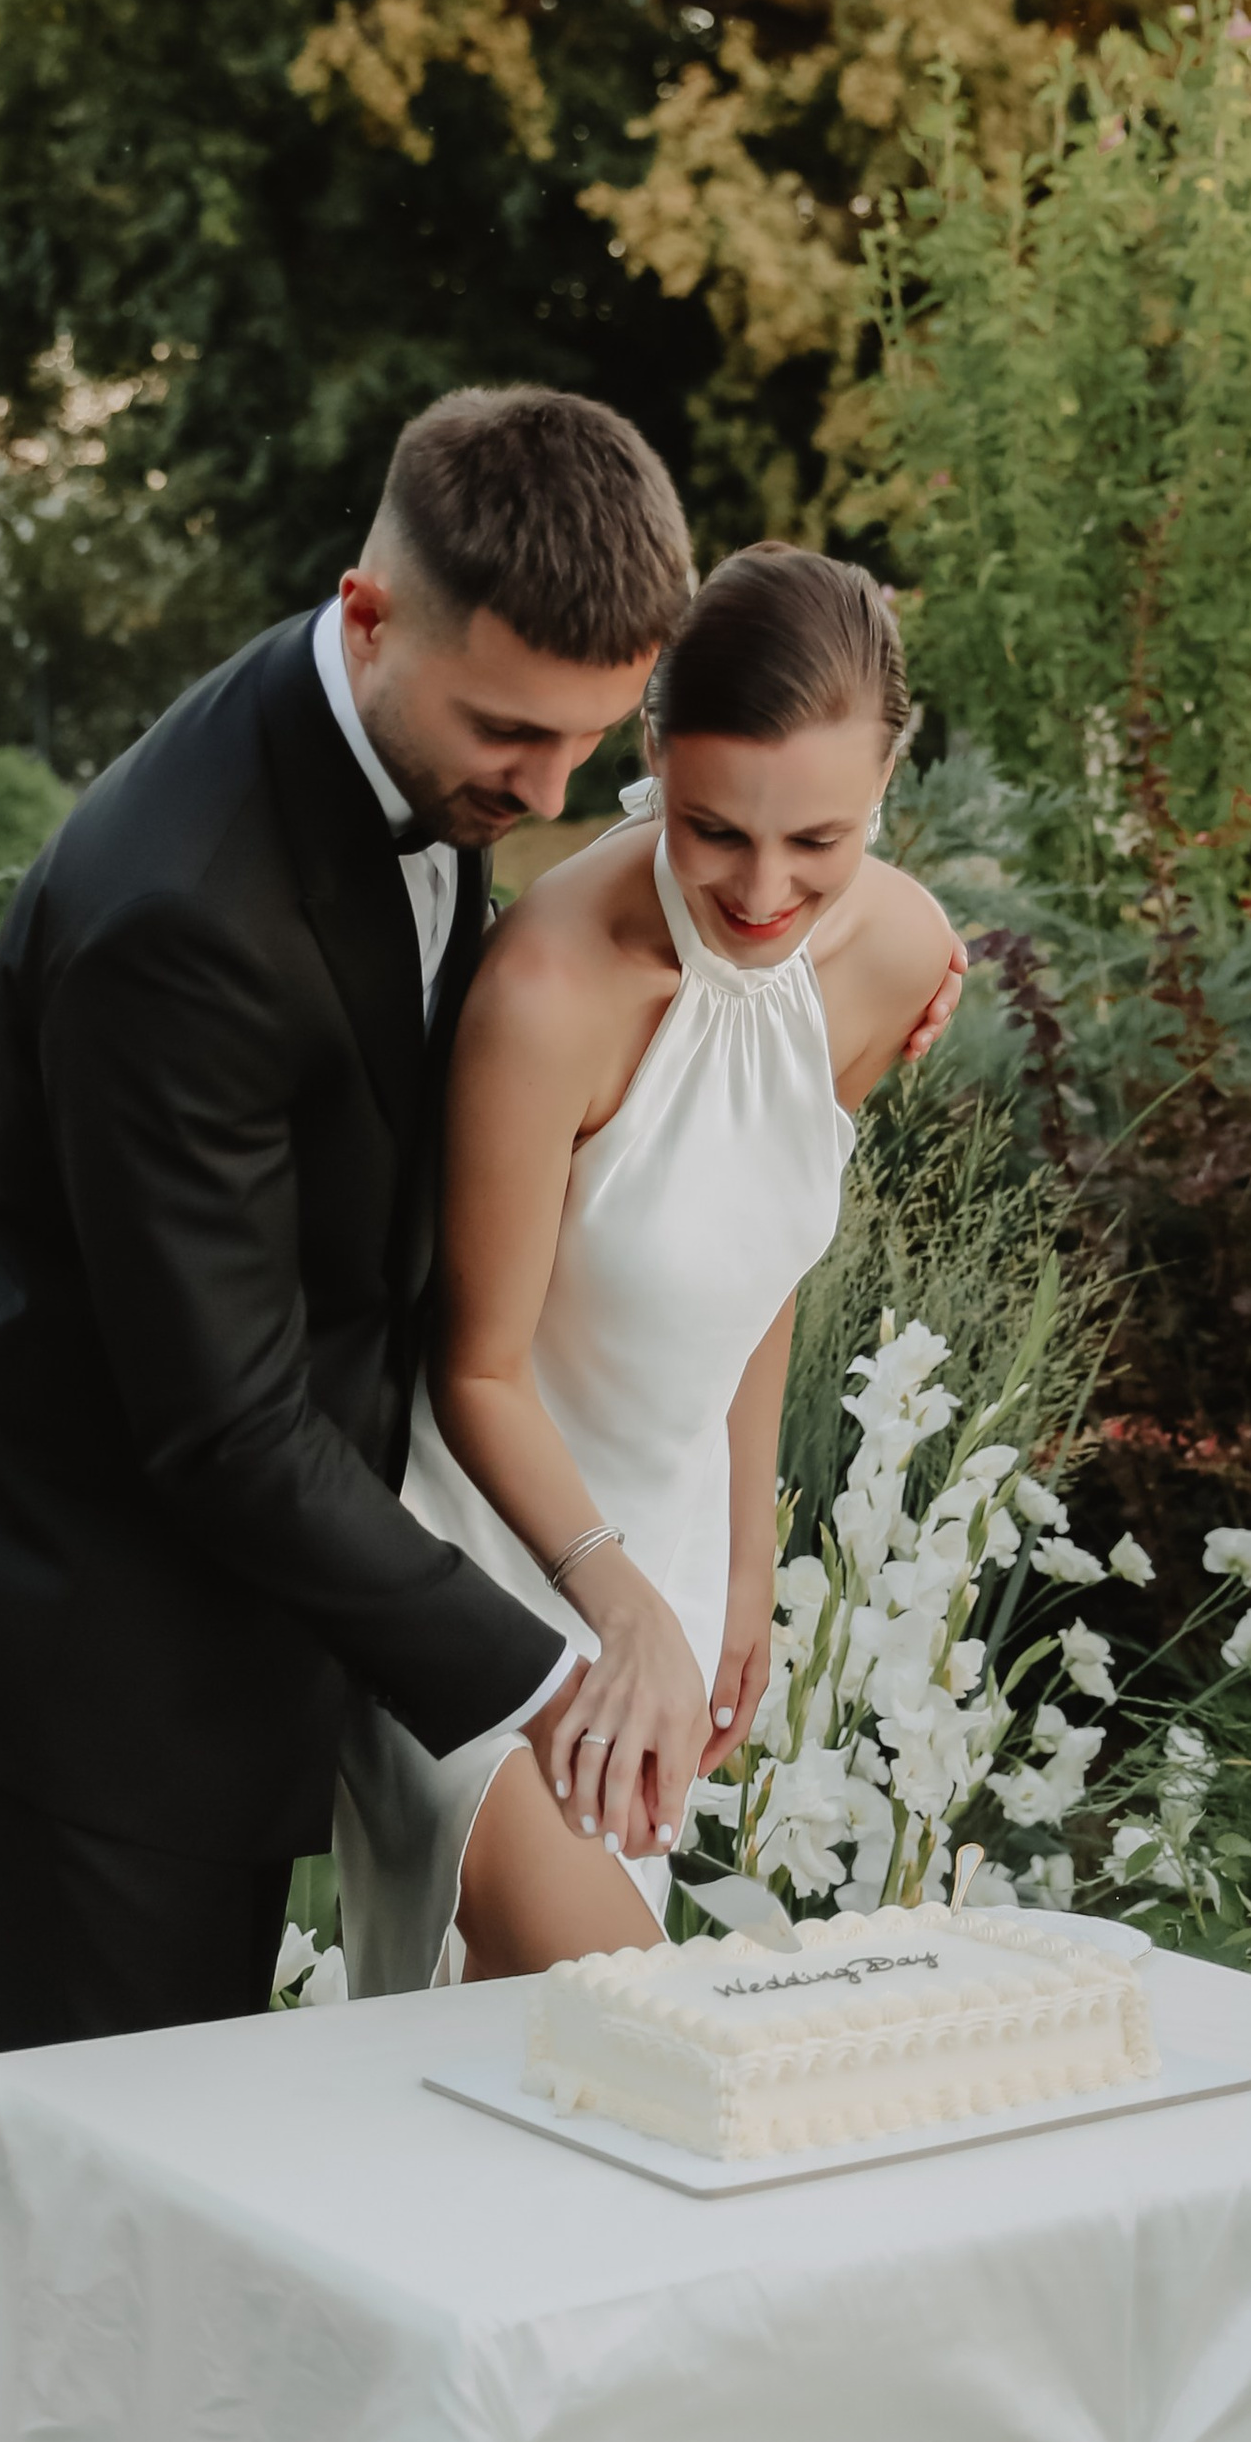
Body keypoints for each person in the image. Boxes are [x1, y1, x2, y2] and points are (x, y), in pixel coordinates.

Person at [0, 390, 959, 2045]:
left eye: (594, 745)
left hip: (350, 1545)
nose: (547, 796)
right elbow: (227, 1426)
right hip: (109, 1629)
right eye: (511, 739)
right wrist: (556, 1659)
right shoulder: (177, 920)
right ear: (364, 617)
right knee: (145, 2173)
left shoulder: (431, 740)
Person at [336, 541, 955, 1993]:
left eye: (821, 841)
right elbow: (473, 1369)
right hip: (488, 1576)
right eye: (713, 828)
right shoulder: (551, 990)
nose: (761, 888)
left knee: (555, 2127)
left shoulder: (899, 956)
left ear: (884, 793)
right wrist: (620, 1610)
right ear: (655, 755)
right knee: (662, 2031)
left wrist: (743, 1574)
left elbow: (759, 1252)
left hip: (664, 1573)